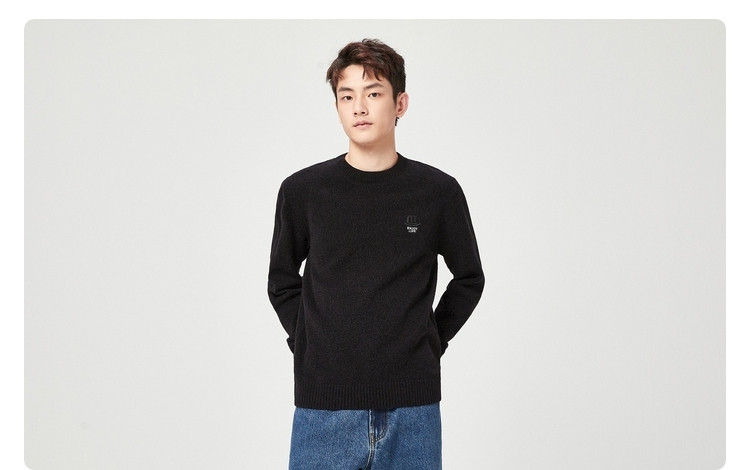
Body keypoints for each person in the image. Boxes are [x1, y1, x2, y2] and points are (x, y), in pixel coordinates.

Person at [268, 38, 485, 470]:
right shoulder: (303, 191)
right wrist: (310, 341)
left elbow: (469, 278)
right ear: (337, 107)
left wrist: (431, 340)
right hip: (324, 410)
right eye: (347, 96)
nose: (359, 108)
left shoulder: (437, 192)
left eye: (373, 93)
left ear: (400, 103)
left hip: (413, 409)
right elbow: (281, 281)